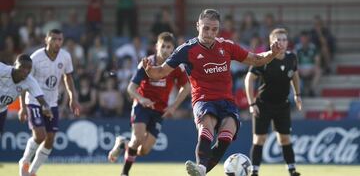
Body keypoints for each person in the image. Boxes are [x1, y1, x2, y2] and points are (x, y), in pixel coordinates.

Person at [142, 9, 283, 176]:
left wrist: (272, 53)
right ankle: (201, 167)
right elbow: (161, 72)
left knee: (227, 135)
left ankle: (201, 171)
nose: (210, 33)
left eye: (214, 29)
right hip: (203, 100)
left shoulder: (227, 46)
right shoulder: (186, 50)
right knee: (207, 125)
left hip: (227, 102)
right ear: (198, 26)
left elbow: (255, 59)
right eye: (206, 28)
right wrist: (150, 71)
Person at [108, 32, 190, 176]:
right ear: (156, 47)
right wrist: (142, 99)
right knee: (138, 138)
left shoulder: (177, 66)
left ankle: (123, 143)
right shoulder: (147, 63)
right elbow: (131, 88)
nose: (165, 49)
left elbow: (187, 87)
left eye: (169, 47)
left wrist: (174, 106)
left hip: (160, 110)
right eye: (163, 46)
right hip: (142, 106)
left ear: (173, 49)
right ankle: (124, 173)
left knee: (144, 150)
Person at [18, 29, 81, 176]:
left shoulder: (65, 57)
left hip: (52, 103)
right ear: (46, 40)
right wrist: (22, 106)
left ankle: (33, 171)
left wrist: (73, 98)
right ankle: (25, 161)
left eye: (60, 39)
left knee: (50, 139)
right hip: (34, 101)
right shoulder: (35, 58)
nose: (57, 42)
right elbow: (23, 81)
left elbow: (68, 78)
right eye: (54, 39)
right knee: (39, 136)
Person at [244, 28, 302, 176]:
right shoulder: (264, 58)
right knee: (259, 139)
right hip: (263, 104)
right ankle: (254, 171)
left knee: (284, 138)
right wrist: (251, 104)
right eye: (278, 40)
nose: (282, 43)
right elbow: (249, 79)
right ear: (271, 43)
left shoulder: (292, 57)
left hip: (282, 104)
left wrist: (297, 94)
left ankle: (292, 170)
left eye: (284, 39)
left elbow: (295, 75)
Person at [0, 54, 51, 135]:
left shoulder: (30, 82)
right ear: (15, 65)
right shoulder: (2, 70)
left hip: (2, 110)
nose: (26, 71)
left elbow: (41, 100)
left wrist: (46, 107)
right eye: (22, 67)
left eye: (29, 68)